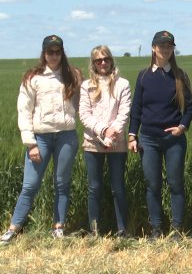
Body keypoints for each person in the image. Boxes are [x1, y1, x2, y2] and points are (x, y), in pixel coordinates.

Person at [1, 35, 82, 243]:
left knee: (62, 184)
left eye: (57, 52)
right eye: (50, 52)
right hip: (41, 139)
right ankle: (14, 228)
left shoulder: (73, 75)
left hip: (66, 137)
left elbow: (85, 104)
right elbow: (24, 111)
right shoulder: (32, 77)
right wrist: (30, 143)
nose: (53, 55)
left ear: (62, 53)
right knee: (30, 185)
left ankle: (59, 227)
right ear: (44, 53)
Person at [128, 30, 192, 240]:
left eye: (169, 46)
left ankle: (176, 229)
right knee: (153, 185)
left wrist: (181, 127)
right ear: (153, 48)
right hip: (148, 139)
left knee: (175, 184)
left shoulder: (179, 75)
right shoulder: (144, 76)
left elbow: (190, 108)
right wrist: (132, 136)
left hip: (174, 140)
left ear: (173, 49)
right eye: (162, 45)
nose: (165, 49)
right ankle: (156, 228)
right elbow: (136, 108)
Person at [79, 45, 131, 238]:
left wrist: (112, 133)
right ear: (93, 64)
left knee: (118, 186)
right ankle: (94, 230)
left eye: (106, 59)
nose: (103, 63)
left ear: (111, 60)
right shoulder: (86, 86)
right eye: (98, 60)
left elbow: (124, 112)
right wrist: (103, 131)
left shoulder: (122, 84)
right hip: (93, 142)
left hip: (117, 142)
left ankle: (122, 230)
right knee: (94, 187)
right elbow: (84, 115)